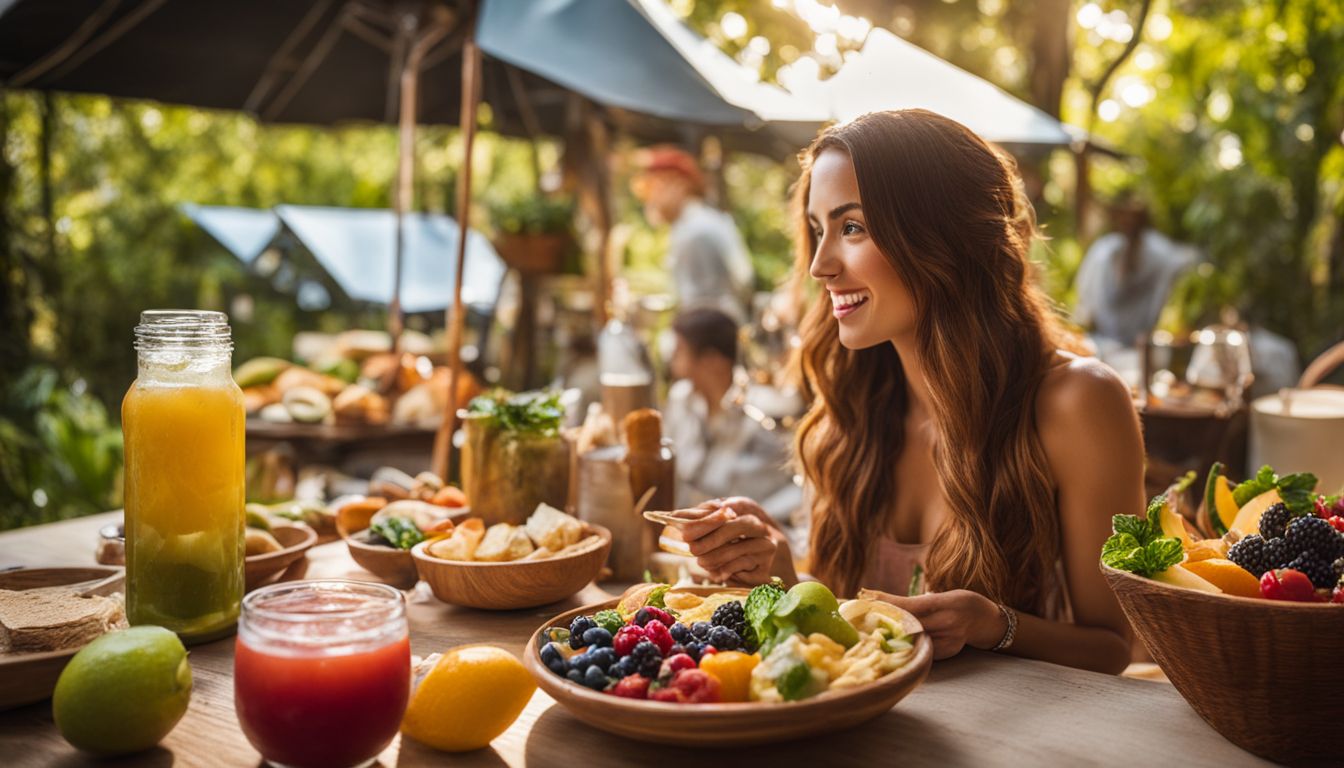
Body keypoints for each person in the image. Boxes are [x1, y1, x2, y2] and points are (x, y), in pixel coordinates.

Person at [673, 110, 1142, 675]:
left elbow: (1115, 647)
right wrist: (780, 574)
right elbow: (856, 634)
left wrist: (996, 625)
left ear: (940, 235)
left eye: (853, 227)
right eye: (818, 230)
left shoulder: (1077, 403)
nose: (821, 265)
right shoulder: (856, 406)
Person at [663, 308, 802, 536]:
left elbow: (793, 486)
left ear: (711, 361)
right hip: (689, 531)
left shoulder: (762, 416)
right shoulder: (682, 400)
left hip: (750, 534)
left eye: (680, 350)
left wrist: (758, 520)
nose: (672, 358)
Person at [632, 145, 755, 322]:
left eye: (654, 188)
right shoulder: (699, 222)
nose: (649, 199)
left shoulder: (695, 233)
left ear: (679, 185)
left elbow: (696, 309)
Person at [1073, 197, 1199, 348]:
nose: (1128, 223)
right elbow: (1088, 293)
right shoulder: (1105, 251)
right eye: (1124, 218)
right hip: (1105, 340)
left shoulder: (1156, 250)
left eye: (1132, 219)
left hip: (1139, 340)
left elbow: (1185, 258)